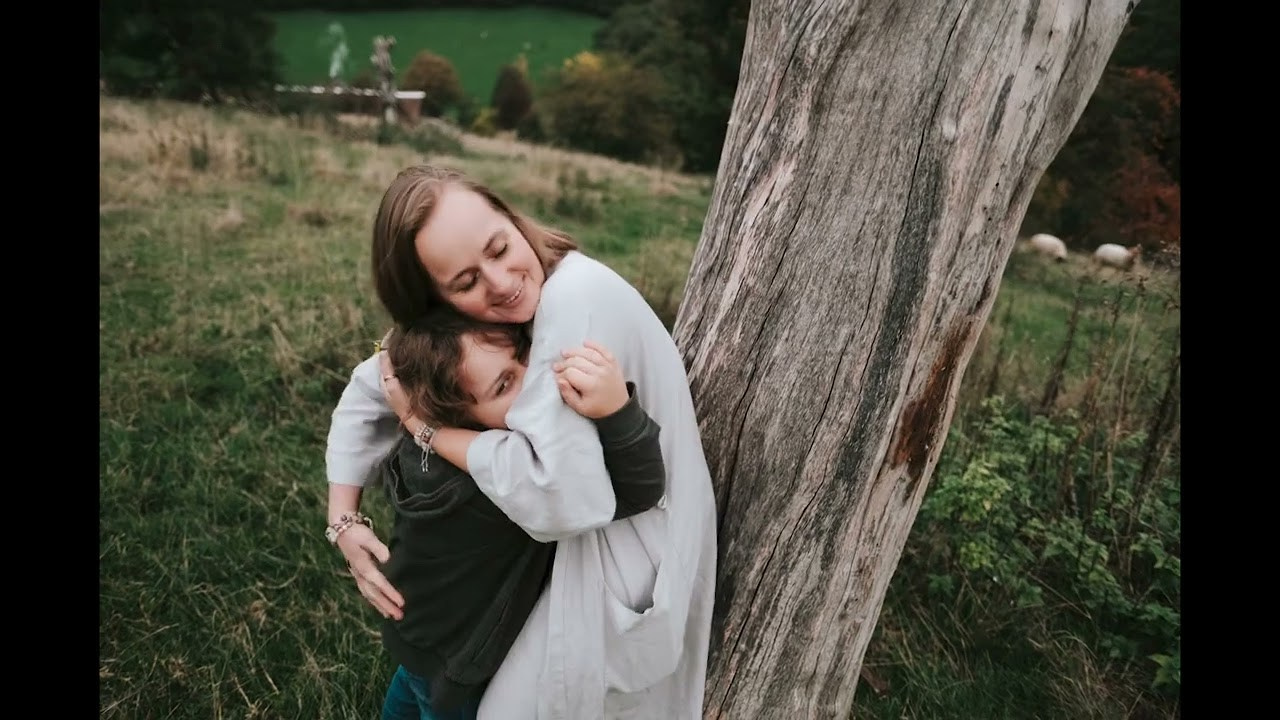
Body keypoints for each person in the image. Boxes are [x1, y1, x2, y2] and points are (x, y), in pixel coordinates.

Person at [326, 164, 717, 718]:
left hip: (610, 553)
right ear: (435, 306)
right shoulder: (474, 339)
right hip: (428, 637)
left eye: (499, 246)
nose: (502, 281)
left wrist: (429, 431)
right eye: (465, 282)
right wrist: (343, 518)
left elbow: (569, 497)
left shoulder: (568, 298)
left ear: (512, 217)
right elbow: (378, 382)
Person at [369, 307, 667, 719]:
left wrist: (415, 420)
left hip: (412, 631)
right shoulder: (505, 486)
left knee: (402, 703)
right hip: (461, 665)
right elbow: (637, 490)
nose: (534, 379)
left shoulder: (422, 444)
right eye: (504, 384)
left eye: (525, 353)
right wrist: (616, 411)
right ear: (460, 419)